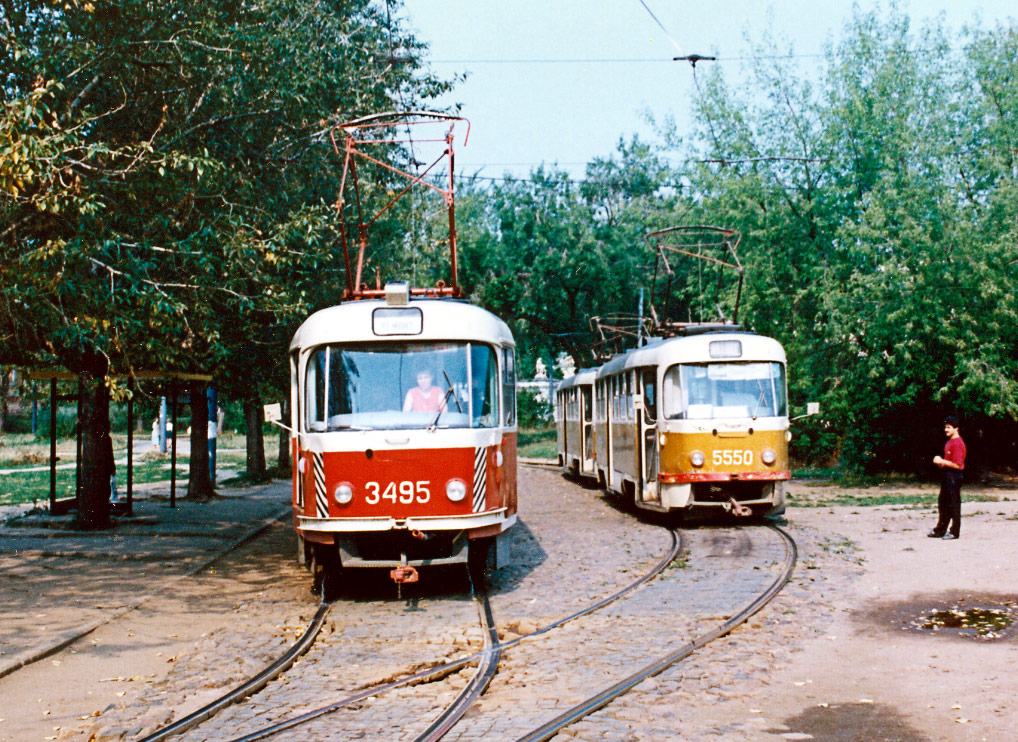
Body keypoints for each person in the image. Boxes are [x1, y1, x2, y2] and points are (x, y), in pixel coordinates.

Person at [928, 415, 966, 540]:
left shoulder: (958, 443)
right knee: (943, 503)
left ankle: (954, 532)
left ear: (956, 428)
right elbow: (948, 463)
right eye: (945, 427)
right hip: (947, 475)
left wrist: (942, 461)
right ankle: (940, 530)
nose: (946, 430)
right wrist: (940, 463)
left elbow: (957, 464)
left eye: (949, 427)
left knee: (953, 504)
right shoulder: (949, 442)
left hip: (954, 476)